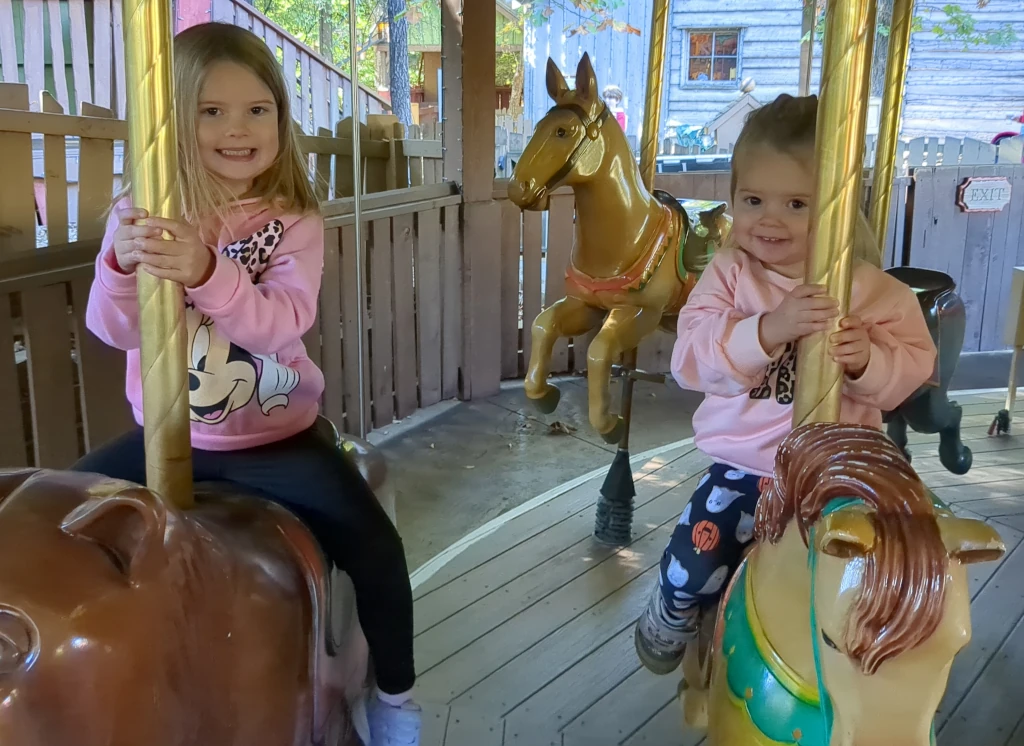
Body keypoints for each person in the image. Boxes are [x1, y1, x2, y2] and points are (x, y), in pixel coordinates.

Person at [74, 22, 421, 746]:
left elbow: (280, 323)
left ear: (281, 119)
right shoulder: (140, 212)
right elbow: (115, 331)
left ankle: (394, 697)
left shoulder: (292, 219)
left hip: (275, 437)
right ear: (176, 121)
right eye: (212, 111)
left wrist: (207, 271)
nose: (238, 128)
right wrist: (121, 268)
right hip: (167, 433)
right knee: (60, 514)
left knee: (377, 548)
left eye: (257, 109)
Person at [633, 93, 938, 675]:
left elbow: (911, 371)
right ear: (733, 198)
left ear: (838, 207)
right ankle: (668, 611)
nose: (769, 220)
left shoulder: (874, 291)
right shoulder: (728, 276)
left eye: (796, 203)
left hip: (843, 472)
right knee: (697, 560)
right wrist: (767, 330)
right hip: (746, 467)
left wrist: (868, 362)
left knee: (896, 555)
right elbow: (691, 360)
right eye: (753, 200)